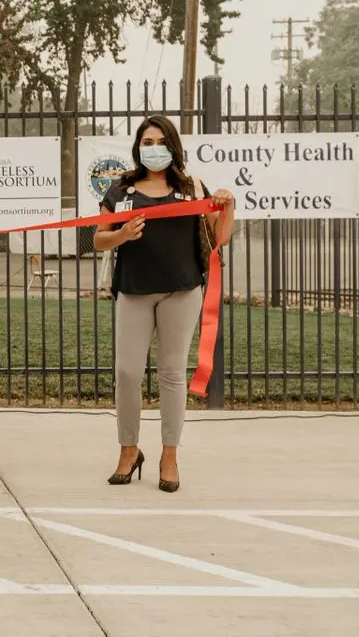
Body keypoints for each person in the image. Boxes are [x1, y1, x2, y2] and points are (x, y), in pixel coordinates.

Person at [94, 114, 234, 493]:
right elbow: (99, 240)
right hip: (134, 291)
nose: (153, 149)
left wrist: (227, 206)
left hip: (181, 291)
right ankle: (129, 450)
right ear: (138, 147)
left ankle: (169, 456)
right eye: (147, 142)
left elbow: (220, 237)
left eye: (160, 142)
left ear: (173, 146)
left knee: (172, 375)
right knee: (127, 373)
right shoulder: (120, 189)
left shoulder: (192, 187)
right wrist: (121, 234)